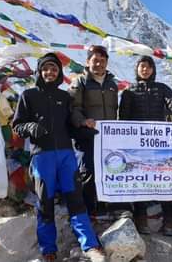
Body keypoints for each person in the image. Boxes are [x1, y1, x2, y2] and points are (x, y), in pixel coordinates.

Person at [12, 53, 106, 262]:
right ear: (39, 71)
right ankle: (48, 250)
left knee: (76, 200)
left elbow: (70, 128)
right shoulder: (28, 95)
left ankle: (90, 245)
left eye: (54, 69)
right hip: (42, 157)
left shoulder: (65, 98)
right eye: (46, 68)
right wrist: (30, 126)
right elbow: (17, 126)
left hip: (66, 156)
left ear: (59, 73)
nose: (50, 72)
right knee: (45, 203)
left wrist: (84, 130)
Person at [119, 55, 172, 239]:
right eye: (141, 66)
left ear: (153, 69)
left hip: (161, 142)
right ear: (137, 69)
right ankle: (141, 219)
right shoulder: (128, 92)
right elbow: (123, 117)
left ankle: (169, 221)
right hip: (137, 143)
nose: (145, 70)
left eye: (148, 67)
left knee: (163, 180)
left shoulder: (162, 89)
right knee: (138, 181)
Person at [69, 45, 119, 217]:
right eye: (95, 60)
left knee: (110, 170)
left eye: (102, 61)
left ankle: (106, 209)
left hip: (109, 137)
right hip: (87, 136)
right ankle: (87, 212)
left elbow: (115, 110)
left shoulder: (112, 84)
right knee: (88, 172)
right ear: (87, 61)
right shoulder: (79, 82)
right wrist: (82, 121)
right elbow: (73, 108)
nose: (99, 64)